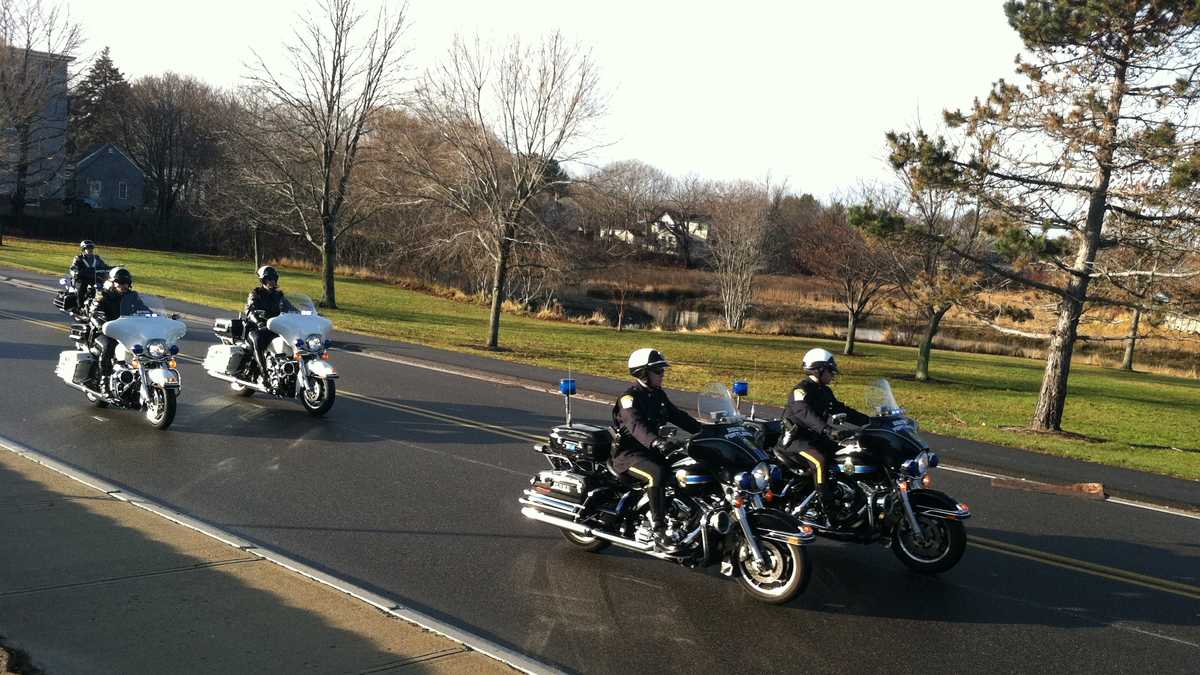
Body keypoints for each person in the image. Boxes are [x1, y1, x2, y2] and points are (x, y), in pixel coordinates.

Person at [611, 348, 702, 551]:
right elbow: (636, 426)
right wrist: (656, 442)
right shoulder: (629, 399)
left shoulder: (657, 395)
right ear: (643, 373)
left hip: (652, 452)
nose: (663, 375)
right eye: (658, 371)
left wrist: (707, 430)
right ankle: (659, 530)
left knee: (688, 467)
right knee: (657, 474)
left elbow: (678, 416)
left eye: (663, 371)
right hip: (629, 456)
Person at [781, 348, 870, 526]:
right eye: (830, 371)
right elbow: (804, 414)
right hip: (797, 442)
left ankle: (848, 496)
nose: (832, 375)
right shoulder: (801, 391)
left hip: (816, 439)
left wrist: (869, 421)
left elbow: (840, 409)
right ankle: (828, 510)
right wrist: (827, 430)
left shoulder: (824, 391)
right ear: (819, 370)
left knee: (850, 452)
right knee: (819, 462)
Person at [88, 267, 139, 394]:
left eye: (126, 282)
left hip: (126, 334)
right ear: (112, 282)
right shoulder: (103, 297)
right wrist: (103, 324)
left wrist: (159, 318)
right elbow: (95, 313)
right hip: (105, 333)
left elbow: (145, 311)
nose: (123, 285)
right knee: (109, 346)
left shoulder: (133, 298)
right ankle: (104, 381)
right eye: (119, 282)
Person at [244, 266, 296, 381]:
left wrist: (306, 315)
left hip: (275, 328)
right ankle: (264, 374)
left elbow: (291, 309)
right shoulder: (255, 294)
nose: (272, 281)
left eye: (273, 279)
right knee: (257, 340)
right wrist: (258, 322)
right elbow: (250, 310)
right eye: (269, 279)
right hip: (258, 329)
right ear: (263, 280)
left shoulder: (279, 296)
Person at [69, 240, 107, 307]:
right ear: (84, 249)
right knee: (82, 289)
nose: (90, 249)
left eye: (91, 247)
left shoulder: (97, 258)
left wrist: (115, 268)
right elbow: (73, 267)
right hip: (82, 278)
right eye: (88, 248)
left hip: (94, 278)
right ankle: (79, 307)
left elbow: (104, 266)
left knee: (105, 289)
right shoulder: (79, 258)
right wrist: (76, 272)